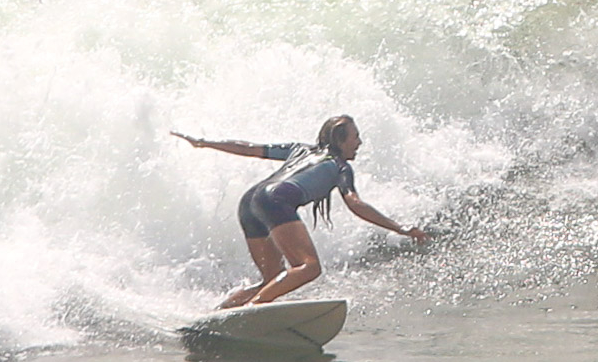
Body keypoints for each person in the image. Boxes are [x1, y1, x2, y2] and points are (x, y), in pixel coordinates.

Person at [172, 115, 428, 307]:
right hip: (276, 201)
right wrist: (400, 228)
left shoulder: (299, 149)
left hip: (250, 200)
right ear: (340, 140)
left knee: (272, 280)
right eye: (355, 136)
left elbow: (250, 148)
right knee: (309, 267)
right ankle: (252, 309)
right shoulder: (340, 167)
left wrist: (204, 143)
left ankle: (220, 313)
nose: (359, 142)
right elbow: (356, 204)